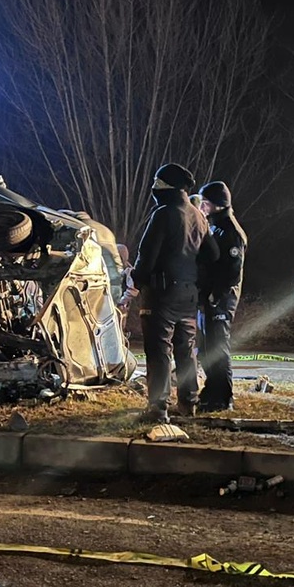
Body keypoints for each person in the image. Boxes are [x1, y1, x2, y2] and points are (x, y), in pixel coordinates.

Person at [131, 163, 219, 422]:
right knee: (186, 349)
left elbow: (146, 256)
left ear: (165, 187)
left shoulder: (163, 214)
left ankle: (158, 409)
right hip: (188, 294)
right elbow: (212, 254)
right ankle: (188, 402)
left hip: (161, 294)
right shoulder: (198, 216)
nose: (154, 189)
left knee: (158, 351)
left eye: (157, 184)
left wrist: (136, 280)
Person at [196, 181, 248, 412]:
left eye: (205, 203)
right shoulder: (216, 227)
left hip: (220, 299)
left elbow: (232, 272)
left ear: (217, 205)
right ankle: (211, 390)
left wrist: (216, 295)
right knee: (206, 347)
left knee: (218, 347)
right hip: (209, 297)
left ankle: (224, 396)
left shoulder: (231, 232)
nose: (202, 207)